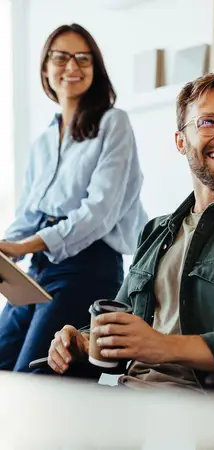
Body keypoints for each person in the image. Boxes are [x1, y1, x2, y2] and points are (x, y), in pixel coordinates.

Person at [47, 70, 214, 392]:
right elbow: (123, 323)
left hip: (200, 409)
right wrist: (83, 340)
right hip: (124, 394)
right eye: (207, 122)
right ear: (181, 141)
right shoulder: (156, 230)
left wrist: (164, 346)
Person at [0, 23, 147, 373]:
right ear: (45, 68)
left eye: (83, 58)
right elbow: (28, 215)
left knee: (35, 380)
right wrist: (7, 247)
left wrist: (25, 246)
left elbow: (99, 212)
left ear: (95, 70)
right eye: (62, 57)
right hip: (38, 271)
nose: (72, 66)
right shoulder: (43, 142)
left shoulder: (114, 123)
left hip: (86, 270)